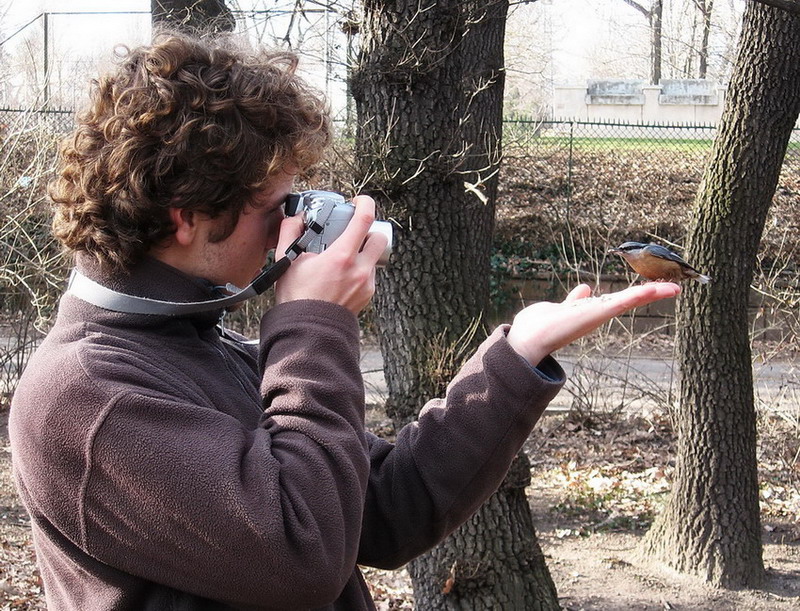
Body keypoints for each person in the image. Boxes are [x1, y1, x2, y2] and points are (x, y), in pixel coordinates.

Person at [9, 30, 680, 611]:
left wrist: (515, 357)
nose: (292, 226)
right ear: (186, 216)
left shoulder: (198, 347)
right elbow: (302, 552)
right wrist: (312, 322)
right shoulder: (85, 397)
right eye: (275, 206)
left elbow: (385, 508)